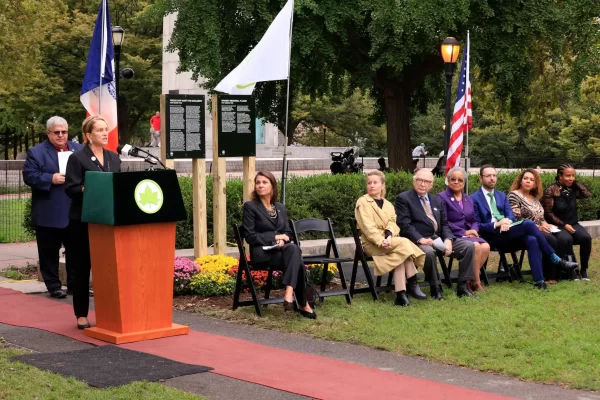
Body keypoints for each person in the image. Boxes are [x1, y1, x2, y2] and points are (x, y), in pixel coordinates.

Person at [470, 165, 578, 290]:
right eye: (488, 176)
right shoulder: (473, 198)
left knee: (531, 239)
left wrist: (507, 221)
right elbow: (477, 224)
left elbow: (510, 215)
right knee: (528, 224)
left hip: (508, 231)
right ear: (480, 178)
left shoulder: (501, 195)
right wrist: (496, 224)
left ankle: (540, 282)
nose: (492, 178)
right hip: (492, 236)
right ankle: (555, 258)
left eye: (494, 175)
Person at [65, 116, 121, 329]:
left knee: (108, 268)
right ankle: (81, 314)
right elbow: (70, 188)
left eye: (106, 129)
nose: (105, 133)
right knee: (82, 268)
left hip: (107, 221)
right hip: (83, 221)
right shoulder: (77, 158)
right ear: (88, 135)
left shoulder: (113, 158)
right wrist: (89, 188)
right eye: (100, 130)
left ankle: (109, 313)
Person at [22, 116, 83, 298]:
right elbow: (29, 176)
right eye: (56, 132)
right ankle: (54, 286)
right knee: (48, 252)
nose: (61, 136)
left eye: (64, 132)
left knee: (77, 251)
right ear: (48, 133)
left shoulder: (79, 149)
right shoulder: (36, 152)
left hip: (75, 210)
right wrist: (51, 178)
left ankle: (75, 285)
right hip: (49, 211)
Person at [242, 171, 316, 319]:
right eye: (258, 183)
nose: (260, 185)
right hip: (262, 254)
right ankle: (301, 302)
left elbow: (288, 233)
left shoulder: (280, 207)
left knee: (293, 248)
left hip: (281, 252)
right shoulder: (250, 207)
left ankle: (290, 294)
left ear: (272, 186)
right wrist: (275, 237)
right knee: (297, 259)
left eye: (264, 182)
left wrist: (283, 240)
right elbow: (250, 236)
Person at [395, 170, 476, 299]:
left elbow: (444, 223)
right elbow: (404, 225)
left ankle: (462, 286)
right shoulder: (403, 198)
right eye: (419, 180)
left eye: (426, 181)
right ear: (414, 181)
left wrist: (448, 239)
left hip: (438, 238)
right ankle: (435, 288)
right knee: (428, 252)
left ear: (431, 185)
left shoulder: (436, 200)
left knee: (468, 246)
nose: (422, 184)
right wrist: (420, 239)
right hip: (417, 240)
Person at [355, 171, 426, 306]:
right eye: (369, 183)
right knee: (405, 242)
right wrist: (381, 241)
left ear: (382, 185)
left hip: (390, 241)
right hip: (372, 243)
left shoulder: (387, 204)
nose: (371, 185)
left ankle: (401, 295)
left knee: (401, 255)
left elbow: (393, 223)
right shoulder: (362, 202)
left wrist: (388, 236)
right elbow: (367, 227)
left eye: (375, 182)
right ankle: (413, 280)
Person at [438, 167, 490, 293]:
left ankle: (469, 279)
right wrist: (464, 232)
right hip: (453, 235)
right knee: (476, 245)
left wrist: (474, 230)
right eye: (453, 179)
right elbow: (443, 221)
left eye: (460, 180)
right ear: (448, 180)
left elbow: (473, 220)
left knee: (486, 247)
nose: (456, 182)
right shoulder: (441, 197)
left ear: (464, 182)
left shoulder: (468, 199)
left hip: (469, 234)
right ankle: (475, 282)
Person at [508, 169, 564, 283]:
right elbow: (517, 219)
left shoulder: (535, 199)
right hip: (523, 231)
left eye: (531, 180)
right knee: (551, 239)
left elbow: (541, 217)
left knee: (561, 237)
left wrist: (546, 225)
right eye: (525, 178)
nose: (528, 181)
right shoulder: (514, 195)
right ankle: (548, 275)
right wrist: (538, 227)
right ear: (520, 180)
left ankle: (559, 273)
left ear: (535, 184)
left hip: (539, 228)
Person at [542, 164, 593, 280]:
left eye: (573, 175)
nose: (571, 178)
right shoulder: (551, 190)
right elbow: (548, 213)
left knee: (586, 238)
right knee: (566, 239)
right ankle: (571, 271)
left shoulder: (573, 188)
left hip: (573, 223)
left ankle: (583, 270)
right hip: (558, 225)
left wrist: (575, 183)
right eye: (568, 176)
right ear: (560, 176)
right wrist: (563, 225)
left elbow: (587, 194)